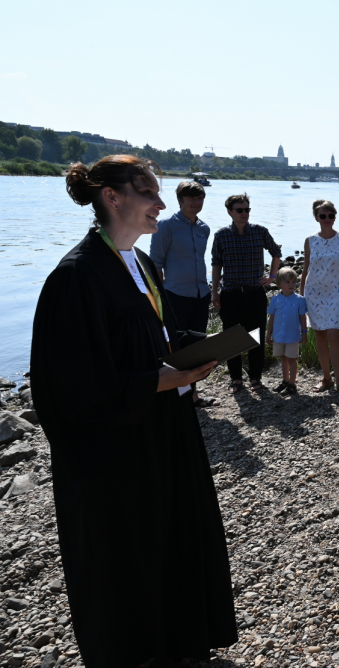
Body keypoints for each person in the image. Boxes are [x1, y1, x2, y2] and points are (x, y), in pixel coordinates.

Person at [32, 155, 236, 667]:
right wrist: (159, 381)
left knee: (171, 536)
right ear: (112, 197)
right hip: (116, 455)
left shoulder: (141, 264)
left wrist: (203, 347)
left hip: (163, 433)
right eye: (148, 193)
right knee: (128, 552)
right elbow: (73, 388)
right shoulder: (75, 277)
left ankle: (180, 640)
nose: (161, 204)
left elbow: (155, 340)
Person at [149, 179, 216, 407]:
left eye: (199, 198)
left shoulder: (204, 228)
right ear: (180, 200)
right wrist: (161, 297)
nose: (196, 202)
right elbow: (155, 264)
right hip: (175, 295)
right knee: (176, 348)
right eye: (191, 198)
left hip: (200, 294)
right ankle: (176, 395)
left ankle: (193, 395)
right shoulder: (165, 226)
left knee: (197, 348)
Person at [211, 193, 282, 394]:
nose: (244, 213)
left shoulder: (260, 231)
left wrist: (272, 276)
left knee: (255, 337)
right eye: (239, 210)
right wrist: (214, 291)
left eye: (247, 210)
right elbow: (216, 264)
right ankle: (235, 378)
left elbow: (276, 252)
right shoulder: (221, 235)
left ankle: (255, 378)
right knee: (231, 338)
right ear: (230, 212)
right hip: (230, 293)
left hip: (254, 293)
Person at [301, 199, 339, 393]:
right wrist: (300, 298)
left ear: (334, 217)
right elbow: (305, 270)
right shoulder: (310, 240)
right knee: (320, 336)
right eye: (322, 216)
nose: (327, 219)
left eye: (330, 215)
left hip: (336, 293)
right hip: (313, 294)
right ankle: (326, 378)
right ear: (316, 218)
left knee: (334, 335)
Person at [267, 267, 307, 395]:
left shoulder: (300, 300)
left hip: (292, 336)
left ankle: (292, 384)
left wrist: (304, 333)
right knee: (283, 358)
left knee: (292, 359)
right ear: (279, 284)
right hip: (278, 335)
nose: (291, 285)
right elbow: (272, 317)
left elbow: (302, 317)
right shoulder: (275, 299)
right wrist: (269, 333)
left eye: (293, 282)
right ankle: (285, 380)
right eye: (287, 282)